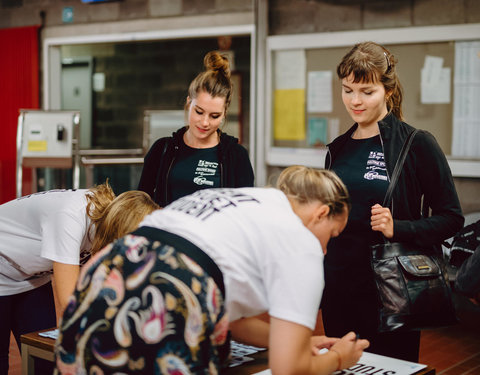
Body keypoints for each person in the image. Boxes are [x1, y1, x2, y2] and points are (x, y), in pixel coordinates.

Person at [55, 166, 369, 375]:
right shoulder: (302, 242)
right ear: (322, 213)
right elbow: (289, 369)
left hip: (108, 270)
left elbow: (236, 322)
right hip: (174, 286)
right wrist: (340, 358)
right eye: (332, 235)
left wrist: (292, 340)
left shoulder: (241, 199)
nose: (326, 249)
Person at [321, 41, 464, 362]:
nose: (355, 101)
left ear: (386, 90)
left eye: (366, 92)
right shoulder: (338, 148)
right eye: (347, 90)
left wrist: (397, 227)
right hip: (339, 289)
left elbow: (451, 218)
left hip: (390, 292)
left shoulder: (416, 143)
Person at [0, 183, 159, 374]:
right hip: (3, 263)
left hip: (31, 275)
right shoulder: (70, 216)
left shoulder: (110, 220)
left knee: (45, 360)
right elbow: (71, 303)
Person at [137, 50, 254, 207]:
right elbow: (140, 205)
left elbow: (244, 211)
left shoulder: (236, 156)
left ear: (224, 113)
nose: (205, 122)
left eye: (214, 116)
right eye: (199, 112)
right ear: (188, 102)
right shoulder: (162, 150)